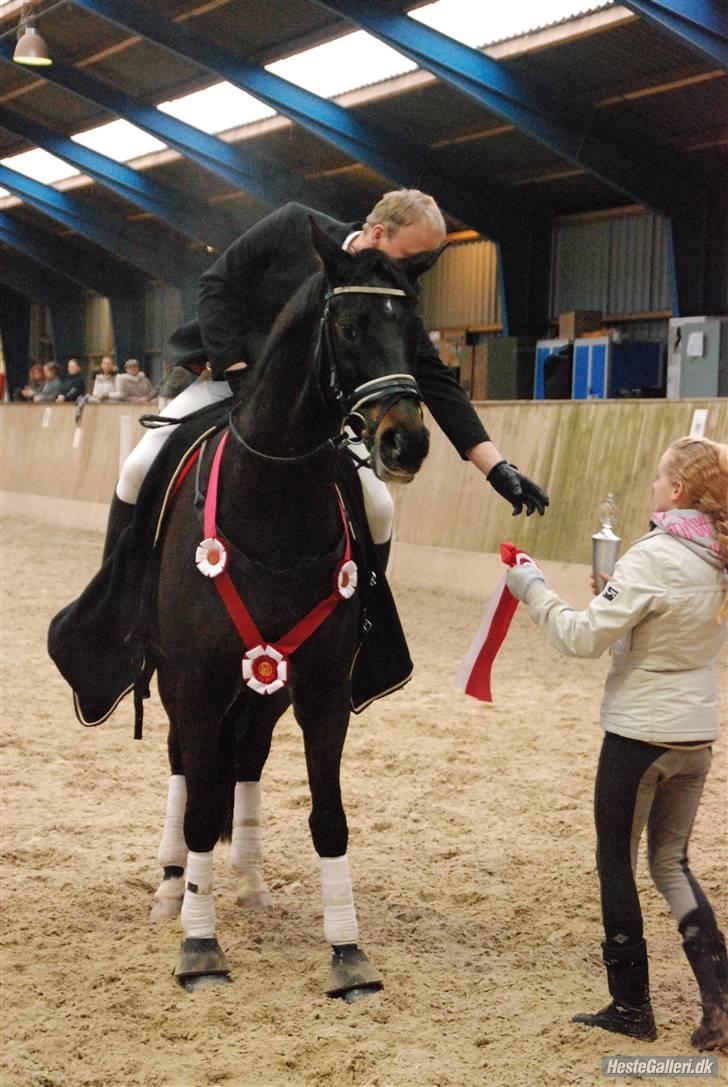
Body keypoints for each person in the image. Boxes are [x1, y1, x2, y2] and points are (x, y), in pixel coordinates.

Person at [103, 191, 548, 559]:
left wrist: (496, 468)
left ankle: (370, 627)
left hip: (323, 408)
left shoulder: (389, 295)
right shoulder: (292, 225)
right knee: (138, 468)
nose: (415, 274)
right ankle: (115, 607)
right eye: (411, 257)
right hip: (231, 379)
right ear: (377, 233)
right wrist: (238, 371)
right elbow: (217, 285)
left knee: (378, 508)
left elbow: (433, 378)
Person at [506, 436, 728, 1051]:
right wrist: (617, 592)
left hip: (639, 735)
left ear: (677, 490)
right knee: (671, 863)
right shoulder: (718, 555)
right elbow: (662, 629)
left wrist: (533, 588)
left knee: (617, 863)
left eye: (660, 478)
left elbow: (581, 638)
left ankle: (632, 1006)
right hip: (695, 735)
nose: (653, 487)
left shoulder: (653, 555)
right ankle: (721, 1003)